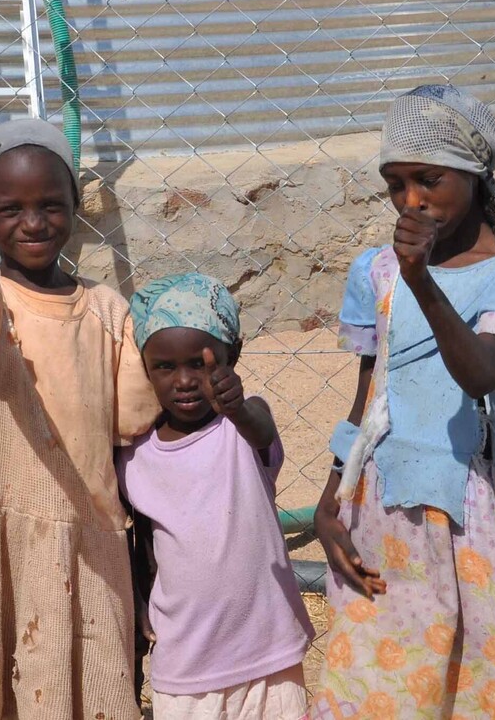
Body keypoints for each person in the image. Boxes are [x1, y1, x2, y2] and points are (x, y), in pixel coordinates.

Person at [314, 83, 495, 720]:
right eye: (395, 184)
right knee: (378, 682)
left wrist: (421, 278)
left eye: (429, 179)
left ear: (476, 175)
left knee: (476, 685)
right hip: (377, 507)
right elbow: (368, 399)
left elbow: (481, 374)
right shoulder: (374, 270)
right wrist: (328, 505)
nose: (411, 200)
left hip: (467, 517)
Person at [0, 118, 160, 720]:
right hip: (5, 524)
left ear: (76, 205)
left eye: (51, 204)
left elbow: (131, 419)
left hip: (90, 526)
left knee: (87, 683)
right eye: (11, 209)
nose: (33, 222)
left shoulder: (106, 309)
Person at [118, 273, 316, 720]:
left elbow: (260, 427)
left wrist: (238, 407)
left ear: (234, 356)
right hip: (186, 665)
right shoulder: (133, 456)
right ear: (144, 369)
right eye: (165, 367)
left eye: (201, 364)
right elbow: (145, 542)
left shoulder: (242, 430)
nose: (185, 381)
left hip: (269, 653)